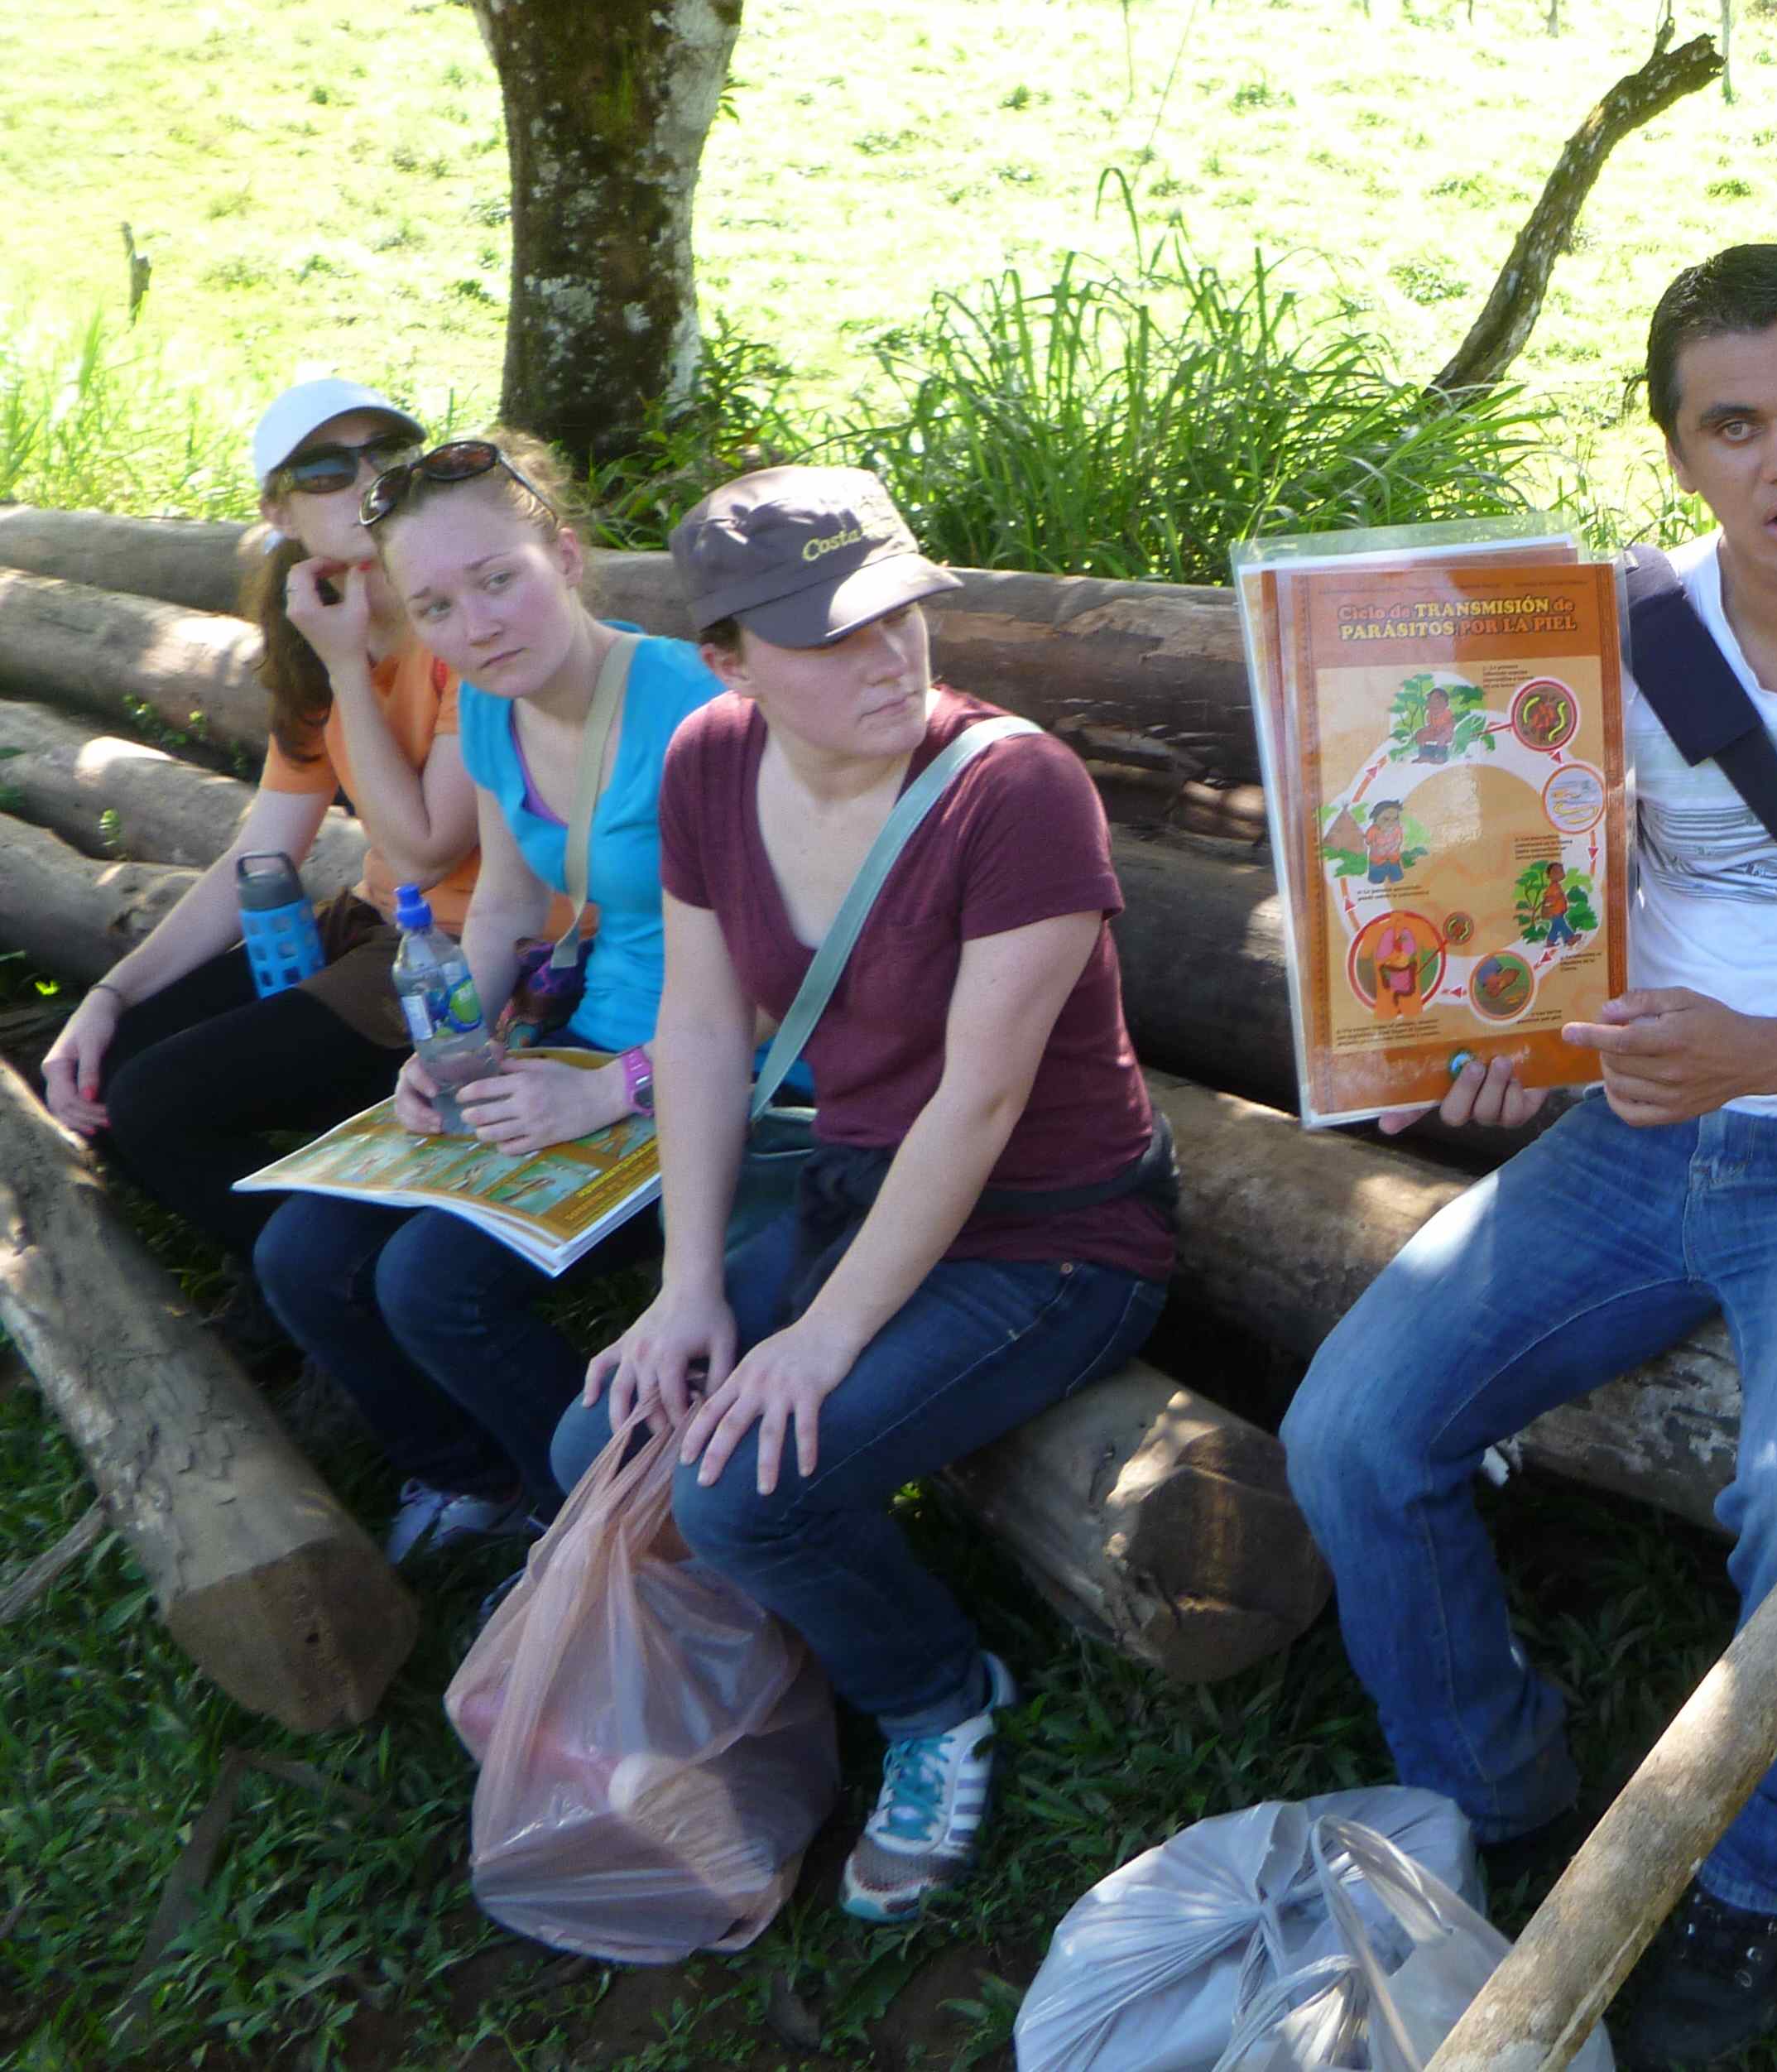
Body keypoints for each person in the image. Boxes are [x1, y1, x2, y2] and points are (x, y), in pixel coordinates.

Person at [1284, 244, 1777, 2070]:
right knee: (1346, 1431)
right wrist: (1497, 1040)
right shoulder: (1605, 640)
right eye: (1736, 426)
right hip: (1632, 1130)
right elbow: (1522, 890)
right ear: (1680, 452)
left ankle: (1773, 1873)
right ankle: (1496, 1786)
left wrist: (1753, 1054)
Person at [559, 467, 1174, 1925]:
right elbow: (704, 1032)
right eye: (833, 636)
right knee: (601, 1432)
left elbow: (981, 1101)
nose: (889, 658)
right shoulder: (709, 759)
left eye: (900, 613)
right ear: (729, 663)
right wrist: (691, 1284)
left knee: (739, 1494)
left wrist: (821, 1340)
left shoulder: (1016, 790)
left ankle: (937, 1702)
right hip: (857, 1194)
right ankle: (763, 1685)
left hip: (1055, 1236)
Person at [252, 430, 718, 1557]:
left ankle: (622, 1530)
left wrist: (613, 1091)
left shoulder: (696, 710)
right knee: (298, 1259)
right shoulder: (499, 706)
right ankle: (480, 1481)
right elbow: (507, 907)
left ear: (563, 555)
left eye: (498, 580)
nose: (477, 627)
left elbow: (783, 977)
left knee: (432, 1285)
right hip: (586, 1048)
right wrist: (454, 1045)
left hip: (722, 1071)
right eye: (439, 606)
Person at [41, 377, 483, 1357]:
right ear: (279, 512)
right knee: (114, 1068)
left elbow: (430, 847)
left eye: (389, 455)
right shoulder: (319, 637)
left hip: (476, 958)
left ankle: (325, 1304)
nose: (370, 480)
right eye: (330, 469)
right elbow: (260, 850)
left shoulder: (459, 622)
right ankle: (297, 1273)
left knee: (163, 1101)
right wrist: (110, 994)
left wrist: (340, 667)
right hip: (377, 930)